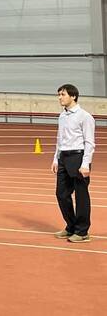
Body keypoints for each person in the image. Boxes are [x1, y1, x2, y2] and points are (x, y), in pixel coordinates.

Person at [52, 83, 95, 242]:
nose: (59, 98)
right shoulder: (62, 116)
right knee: (61, 194)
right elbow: (59, 139)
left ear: (73, 96)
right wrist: (55, 158)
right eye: (59, 95)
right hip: (63, 157)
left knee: (81, 196)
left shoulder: (85, 116)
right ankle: (71, 226)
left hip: (78, 157)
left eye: (62, 94)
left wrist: (85, 163)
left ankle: (82, 232)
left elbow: (89, 142)